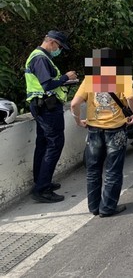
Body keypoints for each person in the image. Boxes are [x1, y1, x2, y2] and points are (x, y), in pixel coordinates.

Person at [70, 48, 133, 217]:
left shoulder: (90, 79)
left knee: (93, 170)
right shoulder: (122, 78)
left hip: (94, 130)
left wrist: (78, 120)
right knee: (113, 170)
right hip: (115, 130)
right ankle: (107, 208)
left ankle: (94, 207)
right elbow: (131, 98)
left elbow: (74, 104)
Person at [25, 30, 78, 203]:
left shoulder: (39, 56)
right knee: (55, 144)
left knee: (43, 144)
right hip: (47, 107)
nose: (59, 50)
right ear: (52, 42)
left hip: (42, 106)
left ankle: (41, 181)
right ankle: (42, 189)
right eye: (60, 47)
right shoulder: (40, 58)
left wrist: (63, 80)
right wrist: (65, 77)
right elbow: (47, 84)